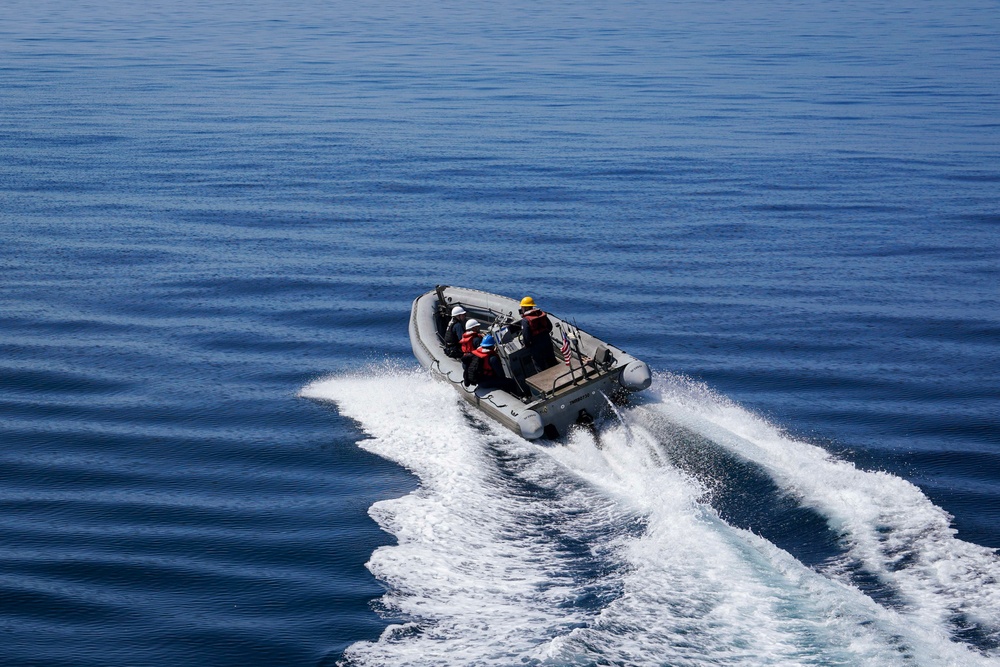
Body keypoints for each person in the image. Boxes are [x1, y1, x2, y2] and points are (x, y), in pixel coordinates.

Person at [517, 296, 556, 370]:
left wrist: (527, 345)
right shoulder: (541, 314)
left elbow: (526, 337)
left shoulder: (525, 320)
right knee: (552, 362)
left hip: (536, 346)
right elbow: (550, 327)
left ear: (525, 308)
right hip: (547, 342)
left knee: (540, 366)